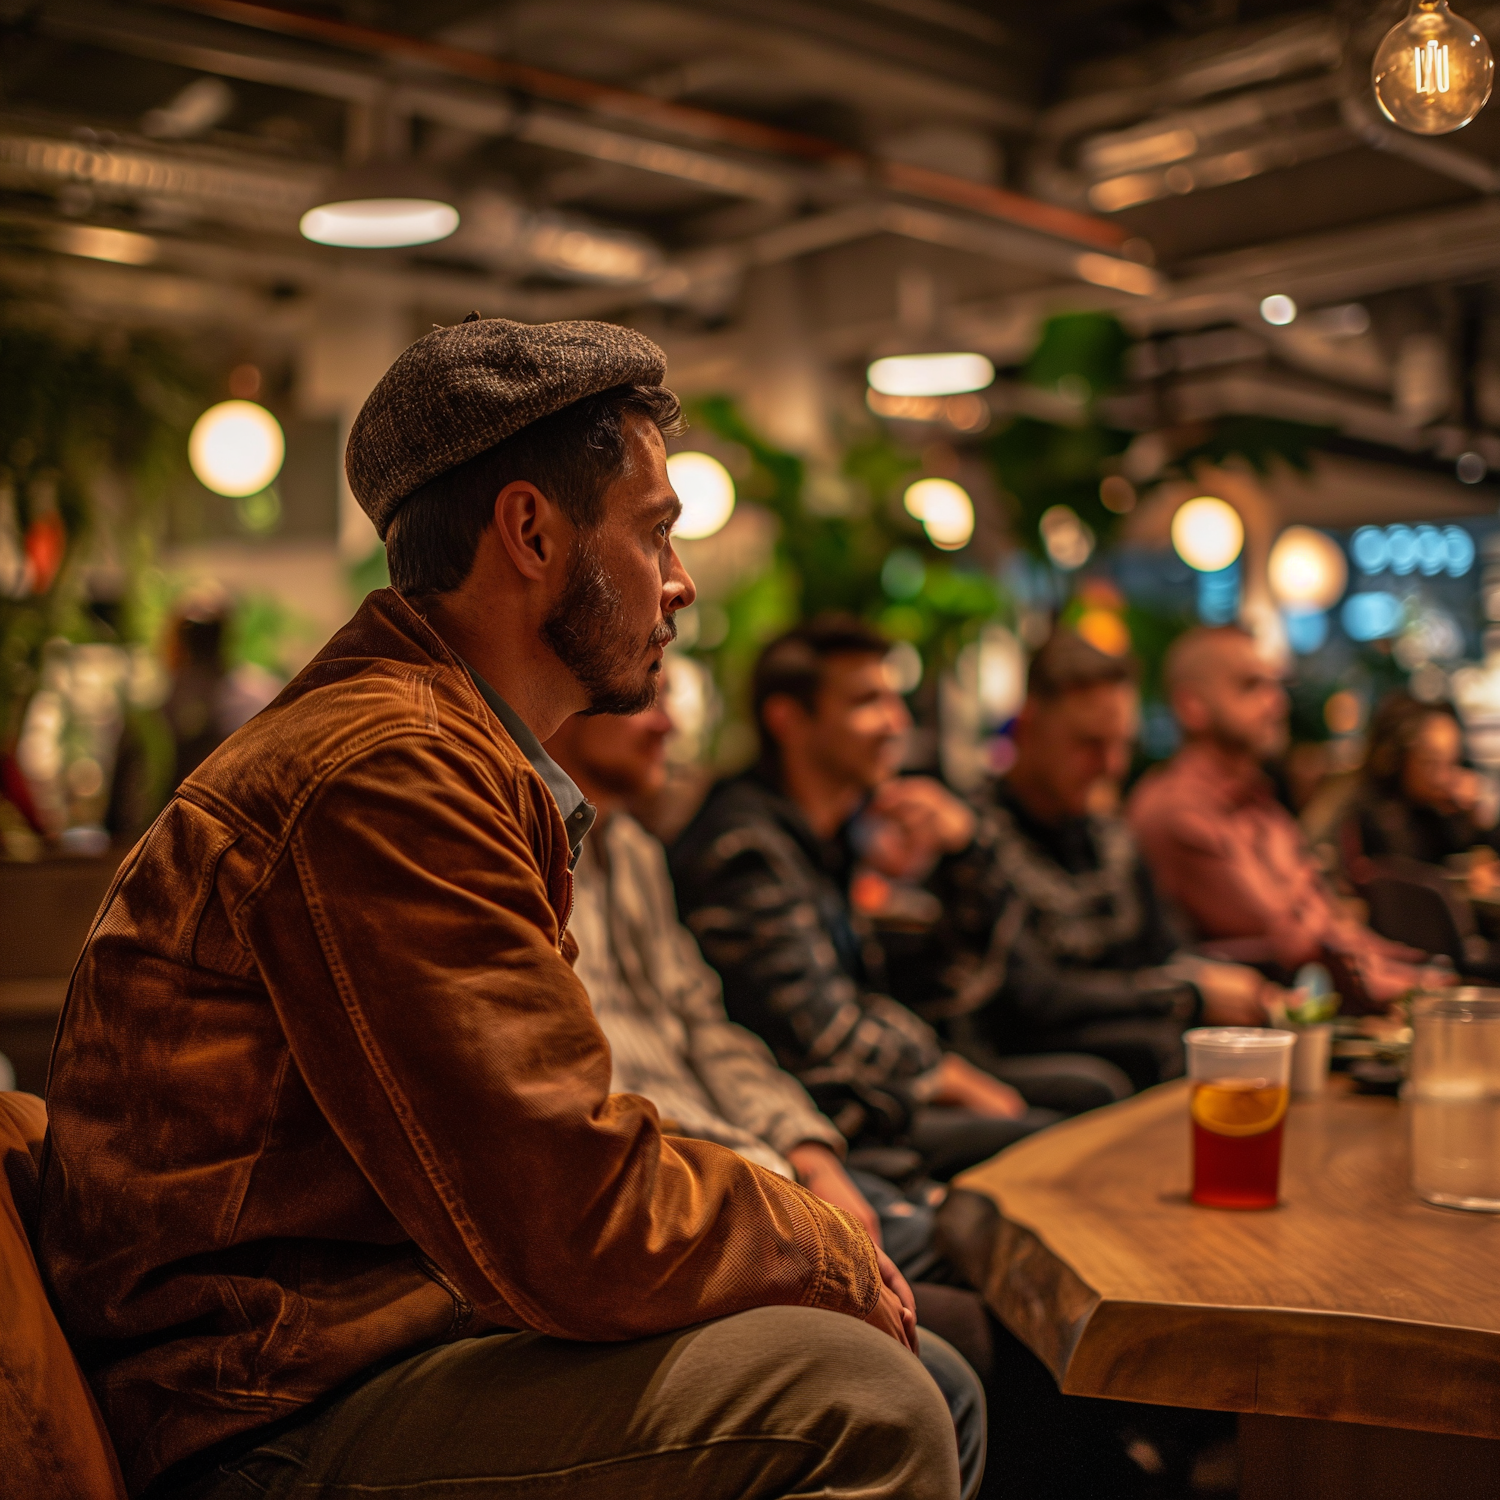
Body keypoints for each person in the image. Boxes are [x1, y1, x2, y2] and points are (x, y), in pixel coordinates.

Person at [37, 317, 974, 1500]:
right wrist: (817, 1239)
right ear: (531, 531)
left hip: (377, 1346)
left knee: (924, 1367)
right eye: (655, 532)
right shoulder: (388, 771)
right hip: (268, 1419)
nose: (679, 582)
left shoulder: (441, 751)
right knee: (867, 1401)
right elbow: (572, 1211)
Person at [547, 701, 1002, 1407]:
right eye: (645, 701)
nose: (669, 723)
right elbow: (598, 1115)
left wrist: (807, 1150)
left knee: (989, 1241)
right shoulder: (727, 841)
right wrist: (790, 1188)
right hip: (699, 1193)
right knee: (966, 1326)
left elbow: (712, 1027)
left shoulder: (630, 844)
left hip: (763, 1158)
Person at [671, 616, 1128, 1181]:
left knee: (1091, 1090)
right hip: (821, 1115)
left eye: (895, 699)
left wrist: (967, 852)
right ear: (788, 719)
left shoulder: (825, 838)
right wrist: (941, 1073)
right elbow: (818, 1030)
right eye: (868, 701)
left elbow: (960, 982)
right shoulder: (742, 846)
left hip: (870, 1089)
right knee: (1063, 1135)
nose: (897, 723)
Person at [903, 630, 1282, 1093]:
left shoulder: (1108, 834)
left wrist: (1233, 985)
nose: (1110, 765)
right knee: (1146, 1056)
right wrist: (1187, 996)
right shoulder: (972, 839)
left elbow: (1163, 947)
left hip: (1116, 1038)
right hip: (1013, 1061)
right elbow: (1035, 998)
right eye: (1089, 744)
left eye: (1121, 743)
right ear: (1028, 726)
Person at [1128, 624, 1438, 1009]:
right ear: (1191, 706)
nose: (1276, 704)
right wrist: (1412, 987)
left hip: (1327, 1006)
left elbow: (1330, 925)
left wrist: (1420, 976)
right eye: (1250, 686)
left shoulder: (1261, 804)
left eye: (1274, 686)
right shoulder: (1177, 810)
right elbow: (1291, 943)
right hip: (1258, 1033)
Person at [1338, 691, 1500, 882]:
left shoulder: (1444, 811)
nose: (1444, 777)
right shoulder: (1378, 814)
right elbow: (1414, 876)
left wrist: (1480, 820)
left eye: (1453, 762)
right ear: (1397, 760)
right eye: (1430, 763)